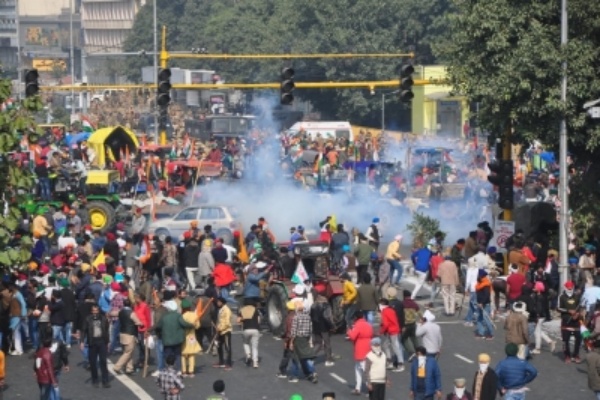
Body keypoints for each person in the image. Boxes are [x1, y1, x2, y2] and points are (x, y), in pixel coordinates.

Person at [81, 304, 110, 388]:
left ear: (99, 311)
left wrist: (108, 342)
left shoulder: (103, 319)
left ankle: (105, 381)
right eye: (93, 311)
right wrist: (82, 342)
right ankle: (95, 380)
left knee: (103, 362)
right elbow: (83, 330)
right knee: (93, 363)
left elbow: (106, 331)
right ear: (91, 311)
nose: (95, 313)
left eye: (96, 311)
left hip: (102, 342)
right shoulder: (87, 319)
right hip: (92, 342)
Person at [290, 300, 317, 383]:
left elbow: (294, 331)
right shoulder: (308, 317)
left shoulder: (296, 317)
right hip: (305, 338)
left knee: (295, 358)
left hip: (298, 339)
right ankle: (311, 373)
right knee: (306, 356)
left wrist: (291, 342)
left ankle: (295, 376)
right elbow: (310, 329)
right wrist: (309, 340)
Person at [348, 310, 374, 395]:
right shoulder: (368, 324)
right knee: (361, 369)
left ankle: (369, 389)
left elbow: (352, 336)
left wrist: (348, 331)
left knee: (363, 370)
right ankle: (358, 388)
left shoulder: (357, 325)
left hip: (360, 349)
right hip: (368, 347)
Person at [113, 299, 142, 375]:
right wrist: (141, 323)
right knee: (128, 352)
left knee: (128, 351)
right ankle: (117, 366)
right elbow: (137, 322)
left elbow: (113, 313)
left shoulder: (121, 312)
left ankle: (129, 368)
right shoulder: (131, 313)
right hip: (130, 334)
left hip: (122, 333)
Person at [558, 280, 582, 363]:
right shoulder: (561, 297)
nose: (570, 289)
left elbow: (580, 307)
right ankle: (567, 355)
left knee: (578, 338)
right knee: (565, 340)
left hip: (576, 321)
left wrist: (578, 314)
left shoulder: (577, 296)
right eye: (568, 288)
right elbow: (558, 308)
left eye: (571, 288)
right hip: (566, 321)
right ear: (565, 288)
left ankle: (576, 354)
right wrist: (568, 311)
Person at [379, 298, 404, 372]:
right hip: (394, 329)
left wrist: (381, 331)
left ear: (383, 304)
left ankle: (400, 364)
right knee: (386, 345)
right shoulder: (391, 310)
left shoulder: (384, 311)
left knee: (395, 347)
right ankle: (390, 361)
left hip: (392, 331)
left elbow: (386, 323)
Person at [311, 295, 336, 367]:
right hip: (324, 328)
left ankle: (310, 357)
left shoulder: (313, 306)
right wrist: (332, 326)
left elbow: (311, 316)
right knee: (327, 343)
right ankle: (328, 360)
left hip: (315, 327)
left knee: (318, 344)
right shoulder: (326, 306)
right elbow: (327, 317)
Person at [238, 297, 261, 368]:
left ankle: (248, 355)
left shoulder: (242, 310)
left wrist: (243, 319)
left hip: (246, 329)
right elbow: (259, 321)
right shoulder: (256, 310)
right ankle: (255, 362)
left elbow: (238, 321)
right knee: (255, 347)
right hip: (255, 329)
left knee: (246, 343)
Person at [180, 298, 200, 377]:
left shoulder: (182, 316)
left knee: (183, 354)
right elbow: (198, 326)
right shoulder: (194, 315)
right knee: (192, 354)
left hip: (184, 336)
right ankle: (191, 371)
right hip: (192, 337)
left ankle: (184, 371)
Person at [35, 336, 58, 400]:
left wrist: (36, 372)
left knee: (42, 393)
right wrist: (53, 381)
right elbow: (49, 368)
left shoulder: (39, 352)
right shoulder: (48, 354)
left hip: (40, 377)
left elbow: (37, 364)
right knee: (45, 395)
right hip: (46, 378)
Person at [214, 297, 233, 370]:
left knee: (227, 348)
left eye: (219, 302)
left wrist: (220, 328)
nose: (217, 303)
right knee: (219, 346)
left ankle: (229, 364)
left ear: (222, 302)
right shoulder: (221, 309)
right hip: (220, 331)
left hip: (226, 331)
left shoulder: (227, 310)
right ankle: (221, 362)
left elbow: (227, 323)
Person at [475, 269, 494, 340]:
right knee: (479, 318)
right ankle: (481, 332)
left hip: (485, 304)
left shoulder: (486, 284)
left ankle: (490, 333)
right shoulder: (479, 283)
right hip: (480, 303)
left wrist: (482, 303)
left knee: (486, 319)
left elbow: (487, 295)